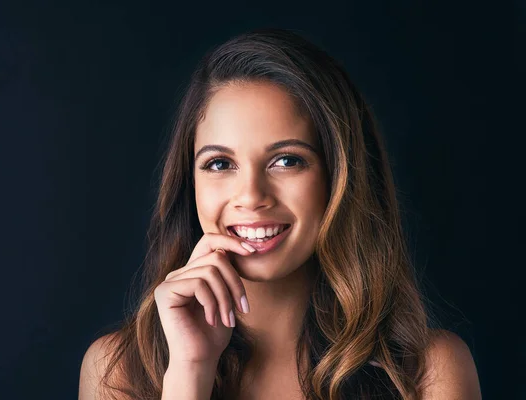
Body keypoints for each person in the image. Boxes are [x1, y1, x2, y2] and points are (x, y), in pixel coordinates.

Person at [78, 28, 481, 399]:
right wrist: (189, 371)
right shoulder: (117, 370)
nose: (251, 197)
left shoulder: (428, 372)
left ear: (339, 176)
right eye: (220, 164)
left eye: (287, 160)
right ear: (191, 182)